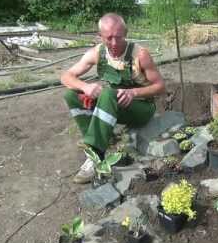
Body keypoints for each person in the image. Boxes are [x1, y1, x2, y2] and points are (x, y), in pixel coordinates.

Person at [61, 13, 165, 184]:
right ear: (100, 36)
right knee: (72, 95)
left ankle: (96, 155)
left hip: (141, 108)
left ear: (126, 33)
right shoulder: (97, 53)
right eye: (109, 38)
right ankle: (96, 144)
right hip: (115, 105)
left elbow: (161, 87)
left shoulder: (140, 55)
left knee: (108, 93)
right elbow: (66, 76)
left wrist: (134, 93)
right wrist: (85, 87)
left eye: (119, 37)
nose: (115, 43)